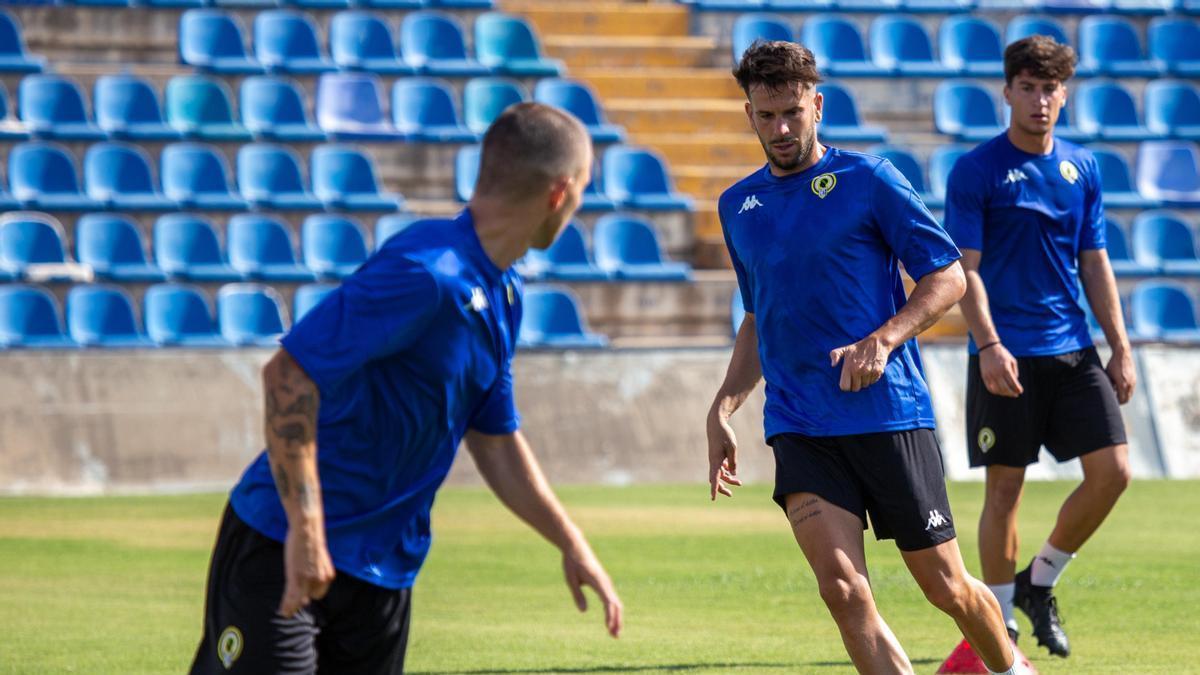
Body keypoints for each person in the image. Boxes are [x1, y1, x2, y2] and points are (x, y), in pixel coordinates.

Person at [190, 102, 623, 674]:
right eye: (584, 190)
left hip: (385, 575)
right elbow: (288, 375)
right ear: (558, 193)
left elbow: (494, 440)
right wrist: (307, 530)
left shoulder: (504, 294)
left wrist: (570, 541)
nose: (580, 206)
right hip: (283, 546)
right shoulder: (426, 271)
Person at [706, 40, 1019, 675]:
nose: (782, 128)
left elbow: (949, 276)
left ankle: (1013, 669)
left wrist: (885, 337)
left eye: (793, 112)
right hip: (800, 426)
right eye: (766, 116)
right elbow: (758, 316)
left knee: (945, 587)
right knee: (843, 591)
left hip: (887, 416)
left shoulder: (870, 179)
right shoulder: (737, 206)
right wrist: (723, 407)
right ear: (749, 116)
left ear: (816, 105)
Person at [944, 35, 1134, 659]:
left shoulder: (1083, 168)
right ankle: (998, 623)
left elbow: (1094, 260)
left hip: (1074, 350)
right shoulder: (976, 170)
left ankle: (1039, 580)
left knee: (1114, 474)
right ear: (1007, 92)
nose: (1039, 99)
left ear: (1065, 95)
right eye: (1027, 87)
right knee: (1005, 490)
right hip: (1007, 354)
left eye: (1050, 88)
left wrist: (1121, 347)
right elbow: (964, 270)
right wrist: (989, 343)